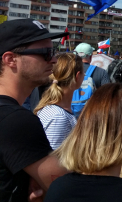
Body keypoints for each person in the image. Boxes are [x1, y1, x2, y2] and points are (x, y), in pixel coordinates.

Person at [0, 19, 68, 201]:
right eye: (46, 53)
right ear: (10, 59)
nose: (54, 59)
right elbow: (69, 191)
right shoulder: (16, 120)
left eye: (53, 51)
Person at [35, 53, 84, 150]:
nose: (85, 75)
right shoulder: (58, 117)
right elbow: (52, 158)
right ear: (77, 76)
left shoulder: (55, 111)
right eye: (83, 72)